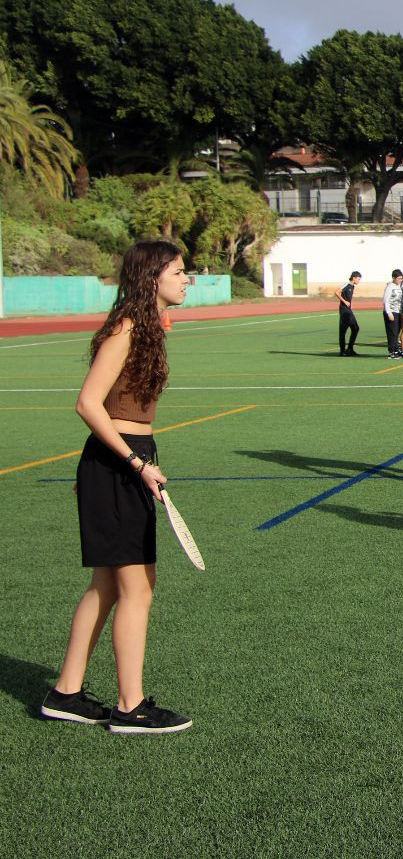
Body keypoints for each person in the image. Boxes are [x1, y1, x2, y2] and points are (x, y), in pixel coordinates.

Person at [42, 239, 193, 734]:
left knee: (107, 585)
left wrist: (138, 460)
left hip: (125, 460)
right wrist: (133, 462)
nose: (186, 277)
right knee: (138, 587)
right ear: (153, 277)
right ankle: (131, 707)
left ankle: (66, 692)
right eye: (178, 270)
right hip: (120, 461)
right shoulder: (128, 328)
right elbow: (88, 402)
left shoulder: (147, 328)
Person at [335, 271, 361, 356]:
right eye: (358, 279)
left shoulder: (352, 286)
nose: (359, 281)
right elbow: (337, 292)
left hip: (348, 310)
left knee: (354, 328)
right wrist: (344, 301)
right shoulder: (347, 285)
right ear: (353, 278)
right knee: (348, 329)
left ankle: (349, 349)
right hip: (344, 311)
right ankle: (343, 351)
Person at [383, 269, 403, 359]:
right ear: (394, 278)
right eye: (398, 278)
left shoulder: (398, 286)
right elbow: (385, 300)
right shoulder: (390, 287)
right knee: (392, 332)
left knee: (396, 332)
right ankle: (391, 351)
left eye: (401, 278)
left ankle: (396, 349)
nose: (400, 280)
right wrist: (389, 313)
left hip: (398, 311)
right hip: (391, 312)